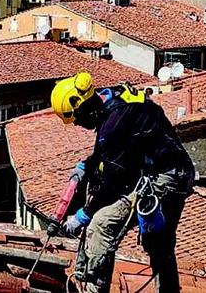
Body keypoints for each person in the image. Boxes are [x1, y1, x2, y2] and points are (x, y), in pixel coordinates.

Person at [50, 72, 195, 293]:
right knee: (158, 243)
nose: (79, 125)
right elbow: (108, 151)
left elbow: (112, 180)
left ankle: (95, 288)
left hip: (167, 177)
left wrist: (83, 214)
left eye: (77, 119)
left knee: (102, 223)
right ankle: (84, 276)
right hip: (167, 169)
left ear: (83, 107)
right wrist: (85, 167)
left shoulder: (113, 125)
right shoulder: (115, 96)